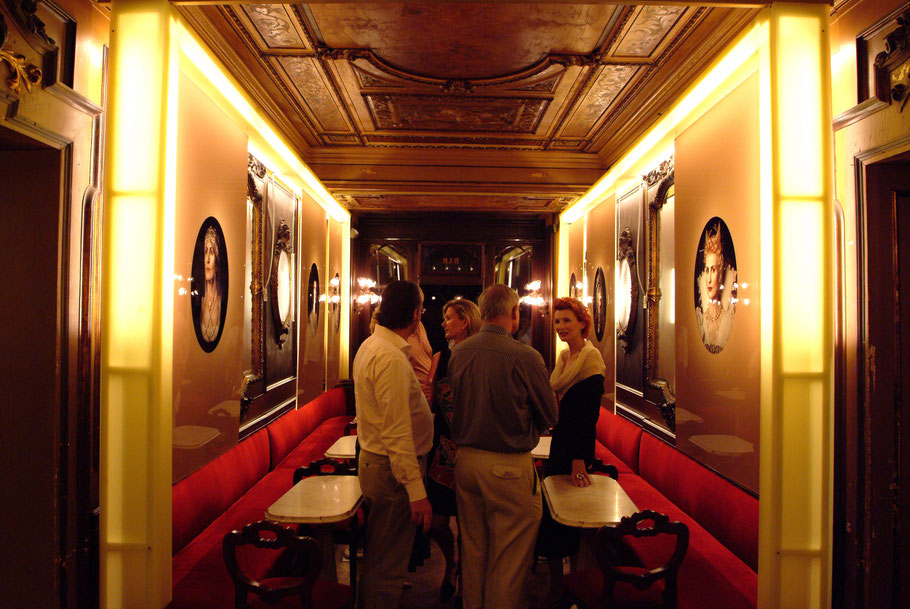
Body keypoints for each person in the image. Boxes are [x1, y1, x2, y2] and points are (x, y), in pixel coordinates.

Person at [448, 284, 558, 609]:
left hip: (465, 462)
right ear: (514, 313)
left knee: (473, 551)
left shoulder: (459, 354)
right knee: (509, 561)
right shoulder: (525, 356)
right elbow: (550, 414)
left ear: (482, 312)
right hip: (508, 466)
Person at [352, 280, 434, 609]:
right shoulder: (389, 358)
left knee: (382, 558)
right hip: (391, 474)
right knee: (385, 567)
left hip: (382, 466)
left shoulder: (373, 346)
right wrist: (417, 492)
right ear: (415, 315)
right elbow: (397, 433)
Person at [536, 297, 605, 608]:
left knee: (571, 519)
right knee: (550, 517)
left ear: (582, 323)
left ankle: (574, 586)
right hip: (560, 440)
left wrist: (580, 460)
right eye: (558, 322)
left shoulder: (591, 362)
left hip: (577, 447)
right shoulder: (564, 358)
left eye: (567, 321)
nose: (561, 327)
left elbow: (589, 418)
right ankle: (557, 584)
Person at [426, 297, 482, 601]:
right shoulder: (439, 357)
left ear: (466, 322)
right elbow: (433, 399)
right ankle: (451, 562)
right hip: (442, 447)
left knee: (470, 522)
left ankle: (466, 583)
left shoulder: (478, 357)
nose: (444, 323)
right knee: (436, 522)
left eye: (449, 318)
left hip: (473, 449)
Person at [696, 220, 737, 353]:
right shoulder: (700, 320)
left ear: (720, 275)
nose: (708, 279)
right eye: (707, 270)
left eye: (713, 270)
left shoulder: (729, 319)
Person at [200, 225, 223, 342]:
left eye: (212, 252)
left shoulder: (221, 302)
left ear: (217, 262)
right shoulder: (199, 301)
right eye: (205, 252)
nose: (207, 259)